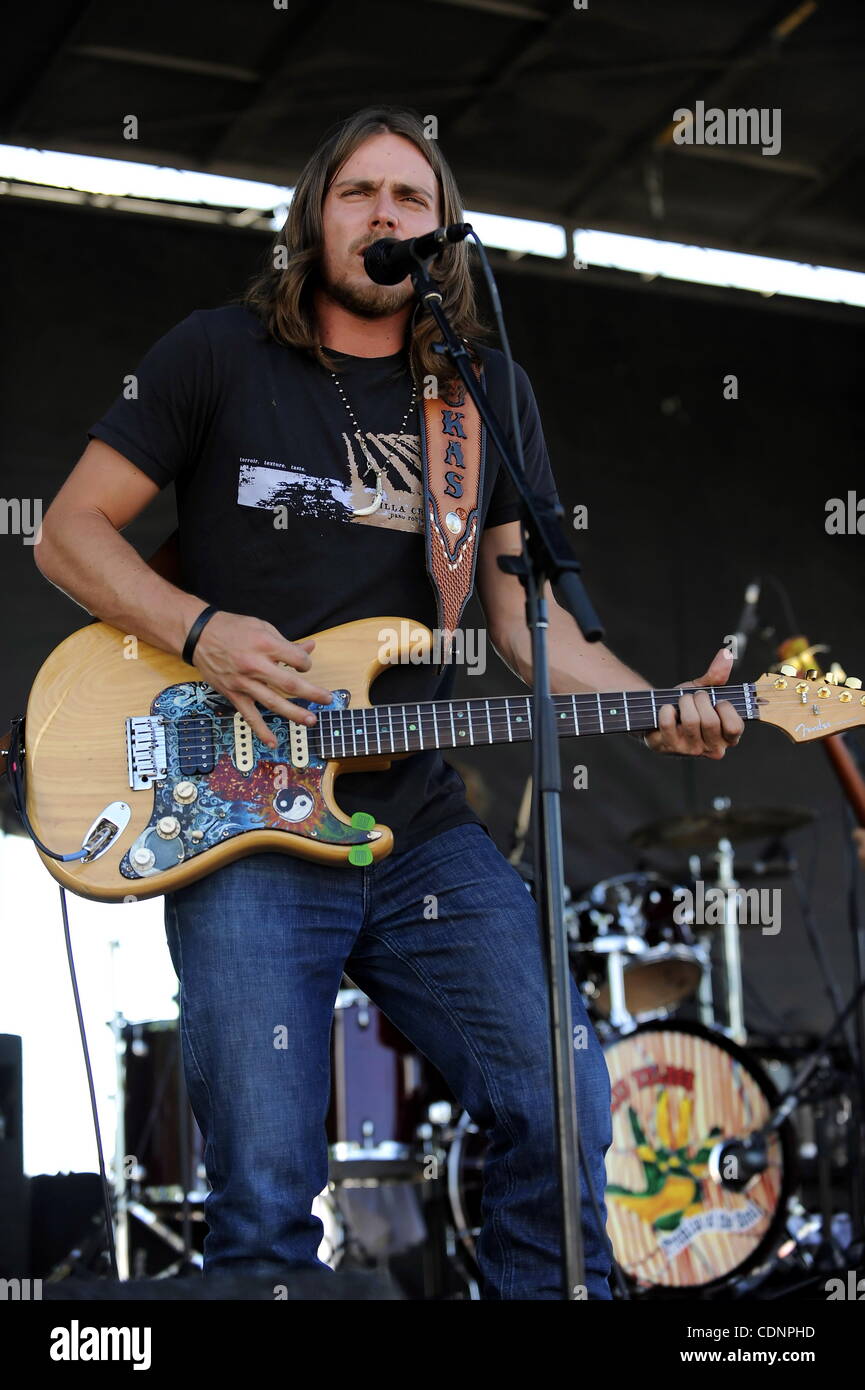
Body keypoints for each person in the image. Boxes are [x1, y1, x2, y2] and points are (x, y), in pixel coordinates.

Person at [33, 105, 744, 1300]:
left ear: (442, 234)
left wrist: (653, 702)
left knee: (560, 1104)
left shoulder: (481, 396)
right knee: (262, 1189)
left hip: (417, 828)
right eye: (359, 193)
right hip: (241, 823)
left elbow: (527, 624)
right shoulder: (216, 354)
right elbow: (67, 533)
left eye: (410, 200)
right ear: (314, 219)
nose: (384, 215)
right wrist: (201, 632)